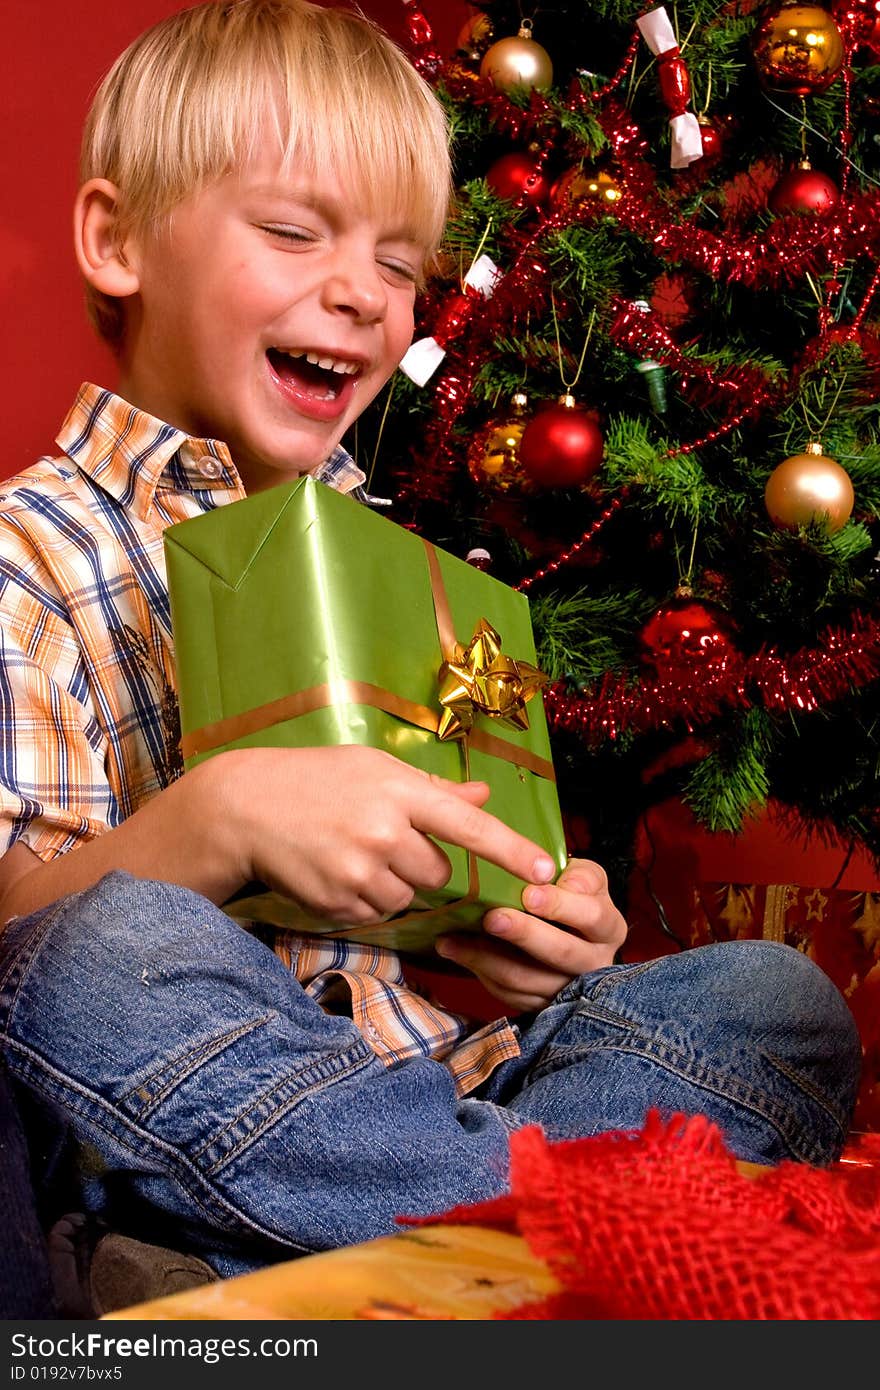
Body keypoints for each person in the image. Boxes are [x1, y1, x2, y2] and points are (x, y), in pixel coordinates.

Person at [0, 0, 861, 1286]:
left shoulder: (406, 572)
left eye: (403, 267)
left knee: (765, 997)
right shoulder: (29, 554)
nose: (359, 293)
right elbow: (22, 954)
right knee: (98, 959)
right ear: (116, 239)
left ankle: (452, 1225)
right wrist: (221, 817)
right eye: (294, 234)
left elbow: (453, 909)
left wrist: (530, 921)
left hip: (407, 1096)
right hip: (186, 1112)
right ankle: (566, 1224)